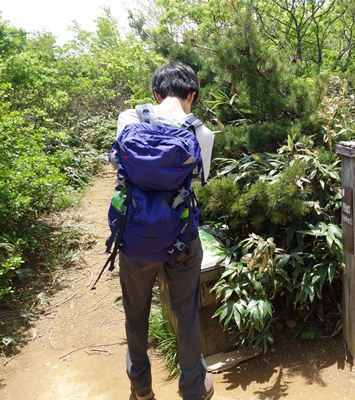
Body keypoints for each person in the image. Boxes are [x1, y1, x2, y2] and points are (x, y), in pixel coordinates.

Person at [114, 61, 214, 400]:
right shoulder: (202, 133)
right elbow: (198, 177)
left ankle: (141, 387)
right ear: (192, 95)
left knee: (135, 313)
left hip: (136, 237)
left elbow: (120, 165)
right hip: (181, 236)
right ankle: (193, 388)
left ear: (156, 94)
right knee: (186, 313)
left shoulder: (129, 119)